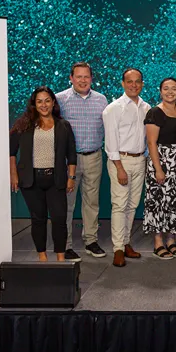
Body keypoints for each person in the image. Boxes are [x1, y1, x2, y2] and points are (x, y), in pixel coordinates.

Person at [10, 86, 77, 261]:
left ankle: (61, 258)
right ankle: (42, 257)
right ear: (34, 104)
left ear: (53, 102)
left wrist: (71, 177)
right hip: (31, 180)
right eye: (39, 101)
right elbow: (11, 151)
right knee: (38, 219)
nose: (44, 104)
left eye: (47, 100)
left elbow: (71, 154)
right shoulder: (23, 125)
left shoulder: (63, 125)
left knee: (59, 219)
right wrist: (14, 175)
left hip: (56, 179)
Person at [55, 62, 108, 262]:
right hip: (70, 161)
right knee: (67, 204)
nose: (83, 80)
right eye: (79, 76)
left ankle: (91, 241)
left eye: (86, 77)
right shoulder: (60, 100)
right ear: (71, 78)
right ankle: (66, 245)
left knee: (92, 203)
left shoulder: (101, 100)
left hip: (94, 156)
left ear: (91, 78)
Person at [102, 68, 149, 267]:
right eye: (129, 81)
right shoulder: (113, 109)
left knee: (132, 205)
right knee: (119, 205)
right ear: (122, 83)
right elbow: (111, 142)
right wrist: (119, 168)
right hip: (120, 161)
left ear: (142, 84)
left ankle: (126, 242)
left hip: (140, 161)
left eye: (137, 81)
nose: (133, 85)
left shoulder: (147, 108)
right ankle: (118, 249)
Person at [143, 78, 176, 259]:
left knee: (175, 202)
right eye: (166, 89)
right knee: (158, 202)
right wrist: (158, 168)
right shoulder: (155, 112)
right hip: (162, 161)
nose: (170, 92)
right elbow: (151, 142)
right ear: (160, 91)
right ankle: (158, 243)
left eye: (173, 89)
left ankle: (171, 241)